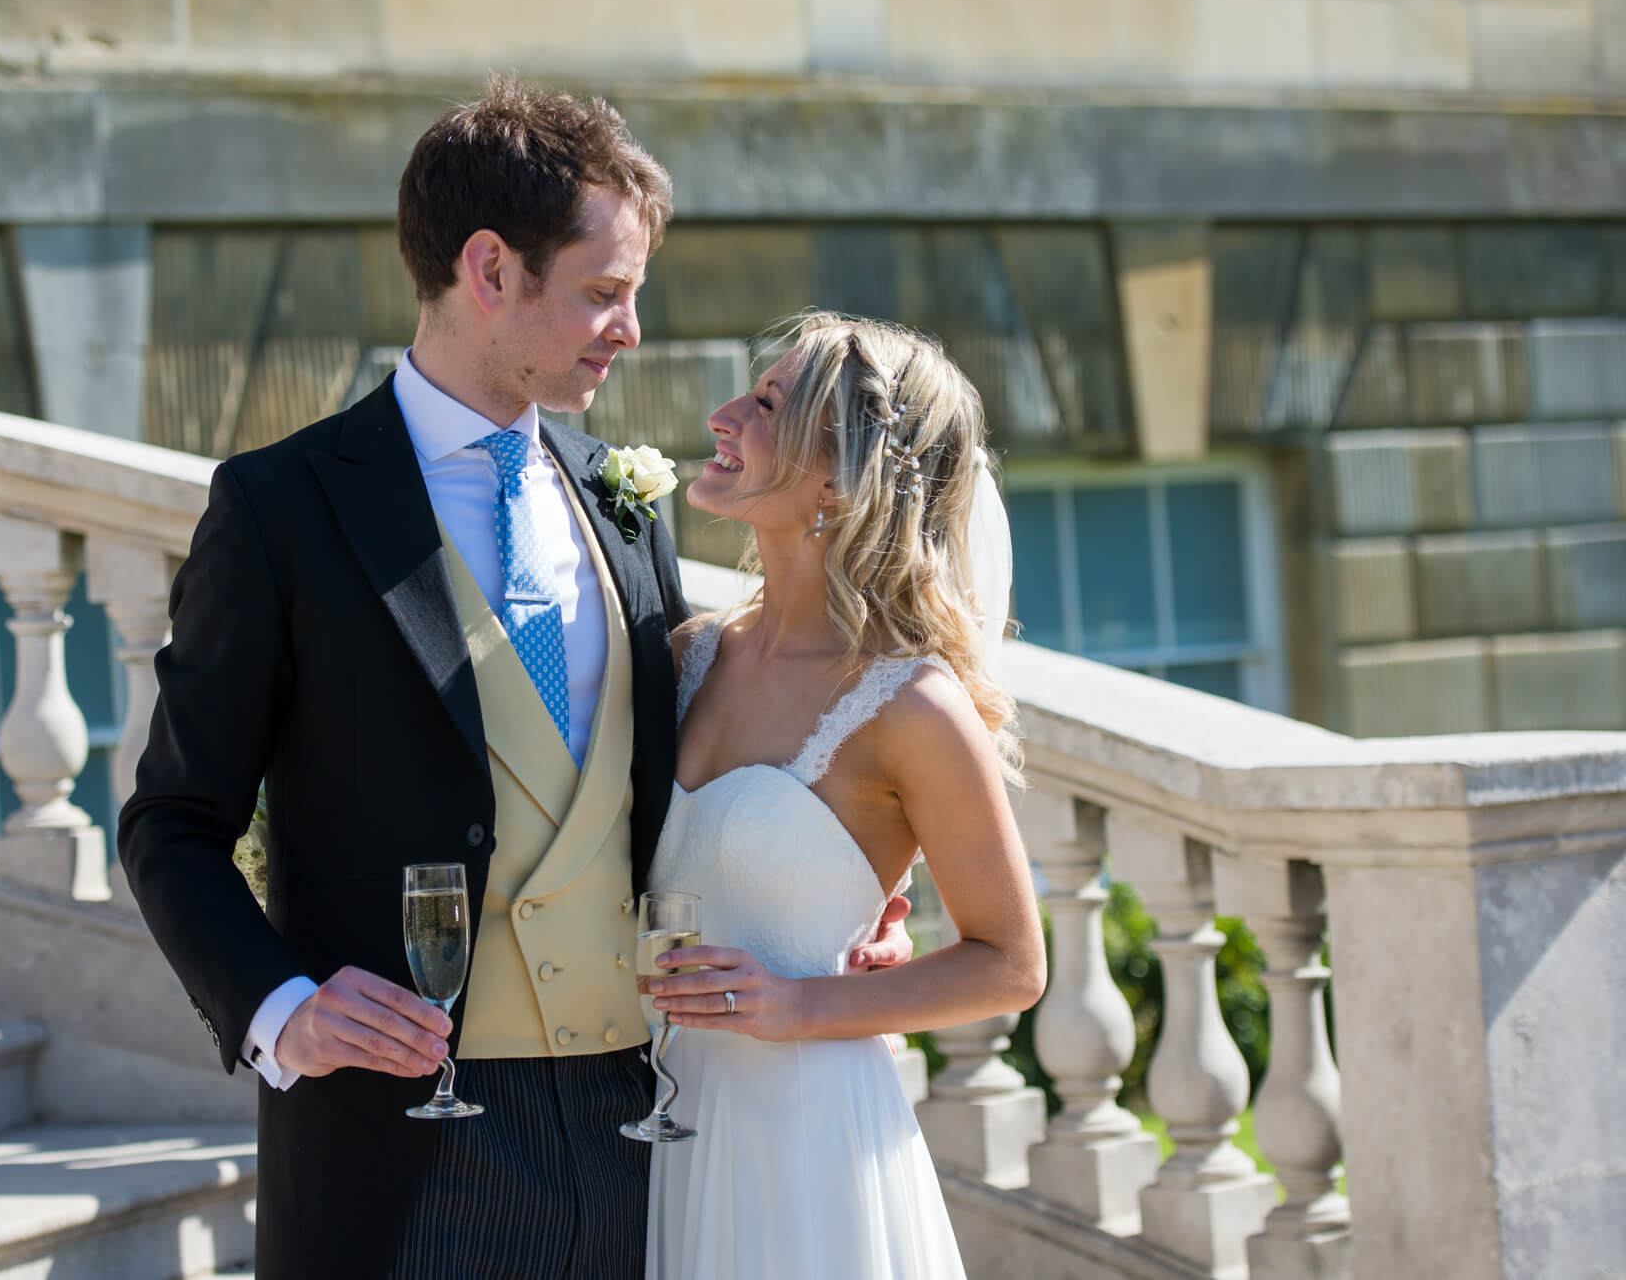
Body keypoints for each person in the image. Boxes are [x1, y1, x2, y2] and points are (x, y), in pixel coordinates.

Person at [117, 80, 912, 1280]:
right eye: (602, 293)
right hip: (398, 1147)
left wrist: (836, 911)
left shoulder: (623, 502)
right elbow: (172, 822)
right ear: (489, 270)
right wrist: (280, 1007)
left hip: (645, 1123)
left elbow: (695, 758)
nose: (630, 331)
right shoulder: (280, 509)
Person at [641, 313, 1048, 1279]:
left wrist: (799, 1003)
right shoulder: (687, 654)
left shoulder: (912, 705)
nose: (723, 414)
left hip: (807, 1142)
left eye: (768, 404)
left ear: (836, 479)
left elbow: (1011, 964)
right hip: (659, 1122)